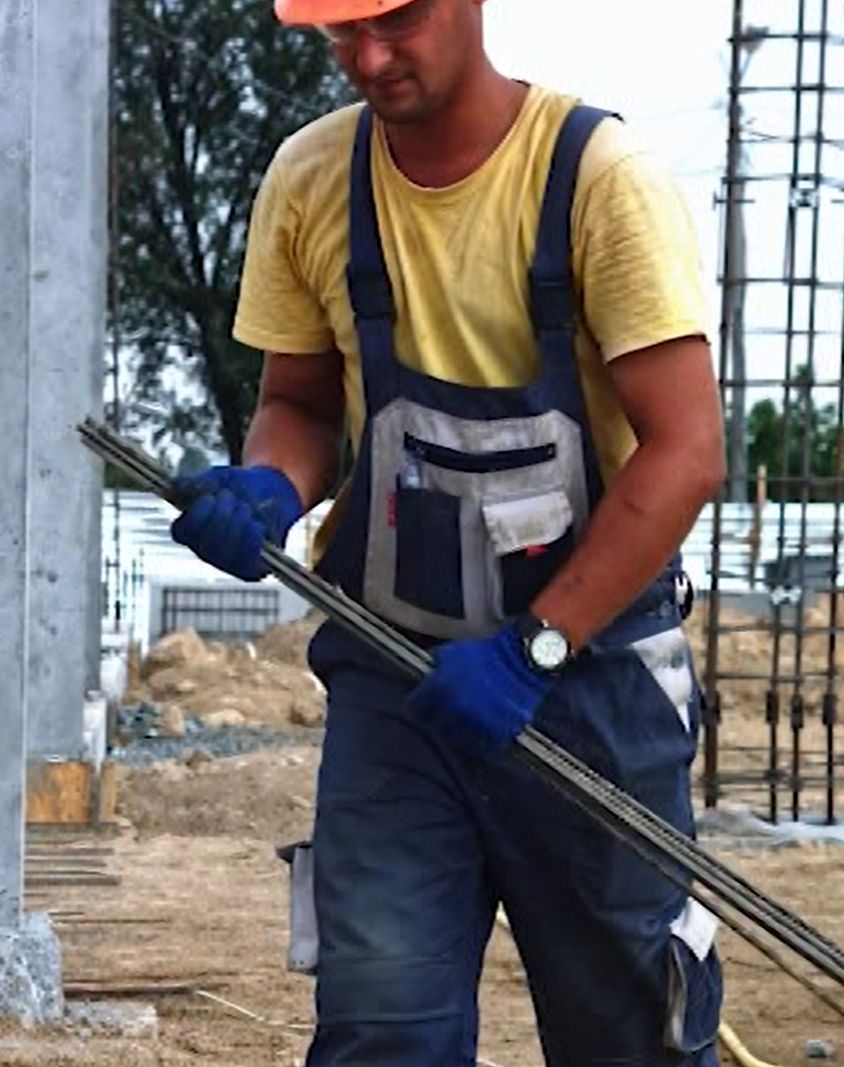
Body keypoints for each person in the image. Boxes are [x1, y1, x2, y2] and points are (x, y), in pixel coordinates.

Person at [168, 0, 727, 1062]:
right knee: (383, 1027)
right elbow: (301, 403)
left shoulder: (598, 181)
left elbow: (686, 450)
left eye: (399, 20)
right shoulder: (312, 181)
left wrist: (540, 643)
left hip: (589, 685)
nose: (370, 58)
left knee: (629, 1034)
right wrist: (273, 487)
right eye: (340, 33)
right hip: (399, 683)